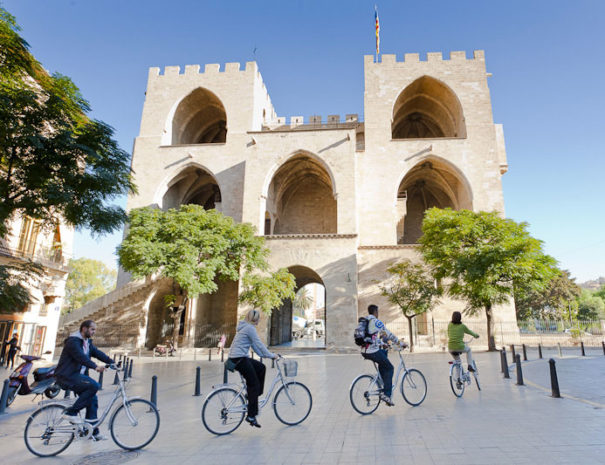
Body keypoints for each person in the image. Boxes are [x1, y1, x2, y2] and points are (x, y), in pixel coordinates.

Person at [54, 320, 114, 441]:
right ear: (84, 329)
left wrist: (112, 362)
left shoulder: (87, 342)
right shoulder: (73, 342)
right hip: (67, 376)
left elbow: (97, 353)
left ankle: (92, 432)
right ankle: (71, 413)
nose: (94, 332)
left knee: (92, 399)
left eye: (94, 330)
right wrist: (95, 366)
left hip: (76, 376)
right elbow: (80, 357)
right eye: (92, 329)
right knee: (94, 386)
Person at [227, 309, 278, 428]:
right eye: (258, 318)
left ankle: (252, 396)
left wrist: (265, 355)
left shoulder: (246, 327)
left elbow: (255, 347)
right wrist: (271, 355)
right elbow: (259, 344)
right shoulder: (250, 328)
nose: (259, 320)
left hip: (237, 358)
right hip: (239, 359)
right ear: (255, 319)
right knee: (254, 384)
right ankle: (251, 415)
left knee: (261, 367)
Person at [363, 304, 407, 406]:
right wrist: (400, 343)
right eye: (378, 312)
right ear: (375, 312)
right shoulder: (376, 322)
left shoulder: (365, 321)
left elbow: (372, 338)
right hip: (372, 351)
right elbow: (388, 334)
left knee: (383, 356)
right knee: (390, 368)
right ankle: (387, 394)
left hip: (365, 351)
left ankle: (383, 381)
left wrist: (383, 344)